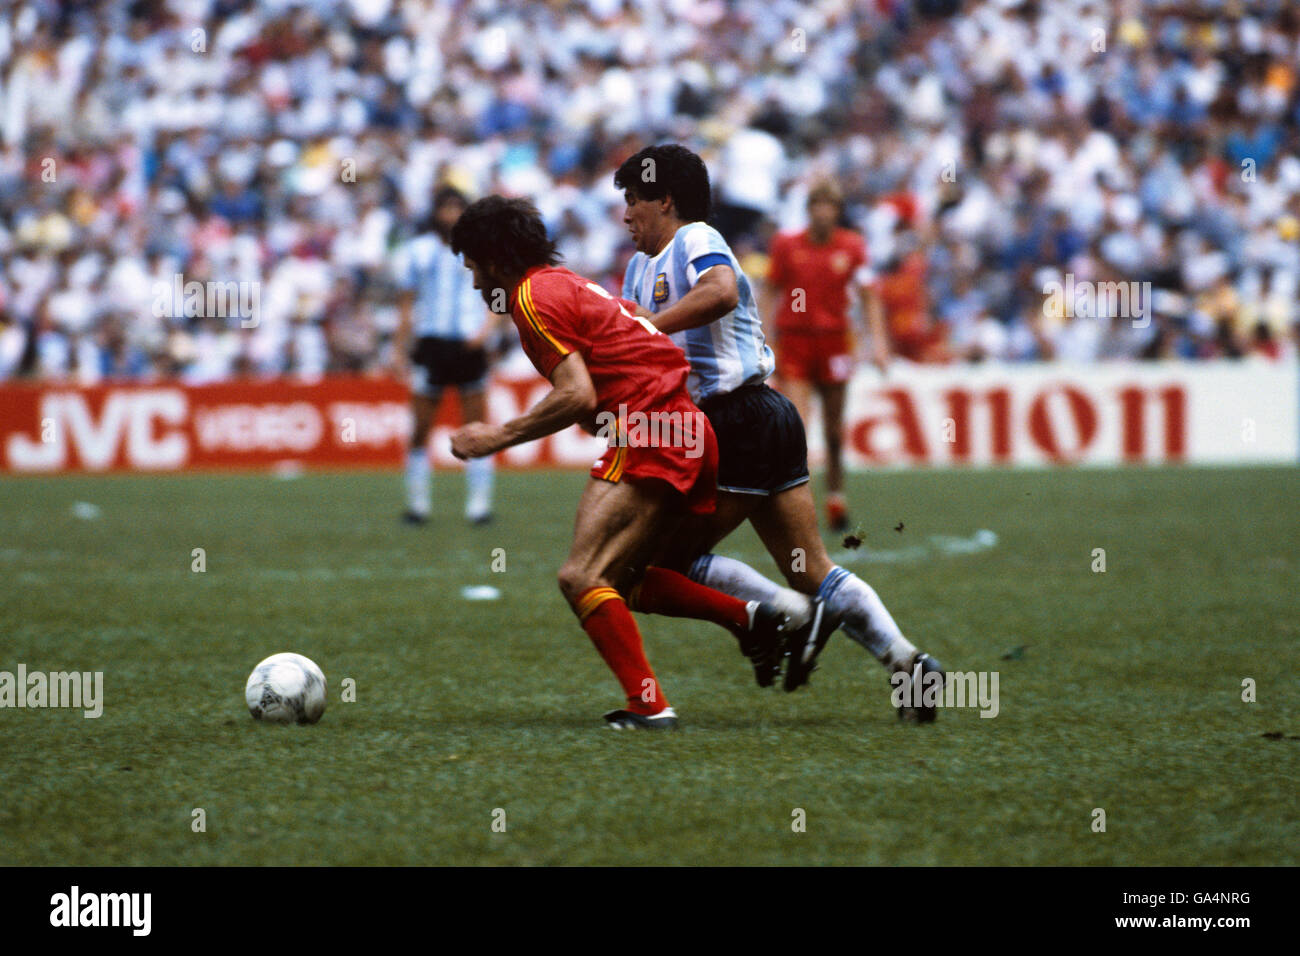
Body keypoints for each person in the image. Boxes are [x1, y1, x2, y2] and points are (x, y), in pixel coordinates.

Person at [615, 144, 944, 719]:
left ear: (665, 202)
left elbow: (718, 293)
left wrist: (652, 325)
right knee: (810, 566)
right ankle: (908, 663)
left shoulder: (694, 239)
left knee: (664, 565)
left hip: (733, 420)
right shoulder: (638, 269)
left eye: (634, 200)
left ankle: (786, 614)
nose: (626, 215)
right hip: (763, 416)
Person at [447, 195, 797, 730]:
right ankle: (751, 618)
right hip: (688, 428)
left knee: (580, 576)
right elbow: (626, 353)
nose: (475, 284)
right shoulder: (568, 283)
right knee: (627, 579)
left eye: (474, 268)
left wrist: (495, 437)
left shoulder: (529, 298)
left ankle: (650, 706)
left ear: (494, 260)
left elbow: (576, 396)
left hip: (653, 431)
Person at [762, 179, 890, 532]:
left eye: (828, 205)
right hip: (797, 343)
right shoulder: (787, 245)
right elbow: (771, 291)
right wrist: (766, 338)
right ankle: (798, 511)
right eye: (816, 205)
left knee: (834, 432)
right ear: (809, 210)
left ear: (836, 211)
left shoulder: (851, 246)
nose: (822, 212)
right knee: (798, 428)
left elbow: (869, 294)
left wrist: (877, 342)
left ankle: (836, 498)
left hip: (835, 343)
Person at [392, 186, 508, 526]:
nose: (451, 214)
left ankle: (479, 507)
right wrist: (399, 350)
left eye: (458, 207)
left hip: (469, 345)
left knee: (476, 427)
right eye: (446, 208)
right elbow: (406, 304)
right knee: (420, 427)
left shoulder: (482, 251)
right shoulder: (418, 251)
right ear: (435, 213)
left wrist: (486, 333)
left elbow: (498, 296)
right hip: (431, 345)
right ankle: (417, 507)